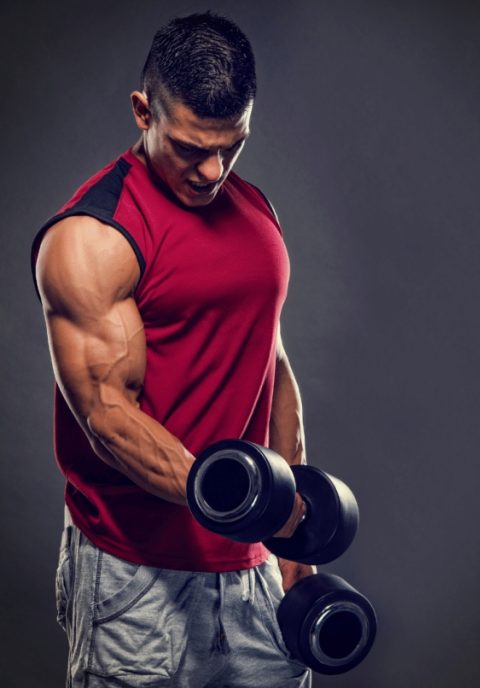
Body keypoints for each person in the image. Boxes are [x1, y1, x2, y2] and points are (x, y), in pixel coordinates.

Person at [32, 13, 313, 686]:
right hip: (134, 576)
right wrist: (237, 500)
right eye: (191, 147)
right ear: (143, 111)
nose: (212, 169)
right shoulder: (92, 240)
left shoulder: (257, 216)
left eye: (232, 145)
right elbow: (106, 417)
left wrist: (295, 552)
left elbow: (271, 371)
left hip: (254, 568)